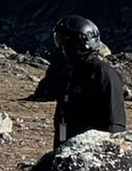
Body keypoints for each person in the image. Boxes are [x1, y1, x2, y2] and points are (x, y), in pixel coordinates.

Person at [50, 15, 126, 147]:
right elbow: (62, 116)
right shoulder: (70, 72)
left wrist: (107, 151)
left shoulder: (103, 73)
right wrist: (59, 147)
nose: (62, 48)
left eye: (65, 42)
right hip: (68, 146)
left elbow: (115, 122)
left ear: (81, 44)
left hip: (94, 150)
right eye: (59, 41)